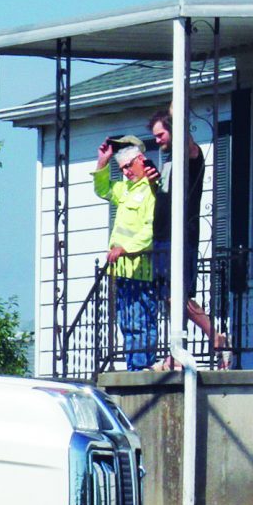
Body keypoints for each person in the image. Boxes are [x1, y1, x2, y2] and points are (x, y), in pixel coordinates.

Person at [146, 110, 227, 369]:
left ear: (174, 131)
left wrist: (176, 114)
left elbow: (189, 146)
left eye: (161, 135)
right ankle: (176, 352)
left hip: (182, 237)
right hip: (162, 238)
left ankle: (214, 335)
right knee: (171, 299)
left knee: (178, 296)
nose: (157, 140)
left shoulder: (192, 156)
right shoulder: (169, 161)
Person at [94, 135, 158, 370]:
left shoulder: (151, 189)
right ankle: (135, 366)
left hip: (141, 269)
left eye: (129, 166)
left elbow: (150, 229)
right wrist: (103, 162)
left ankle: (141, 368)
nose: (126, 172)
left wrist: (126, 249)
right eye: (122, 169)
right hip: (122, 270)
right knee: (127, 322)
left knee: (141, 321)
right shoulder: (126, 189)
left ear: (141, 159)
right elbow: (102, 189)